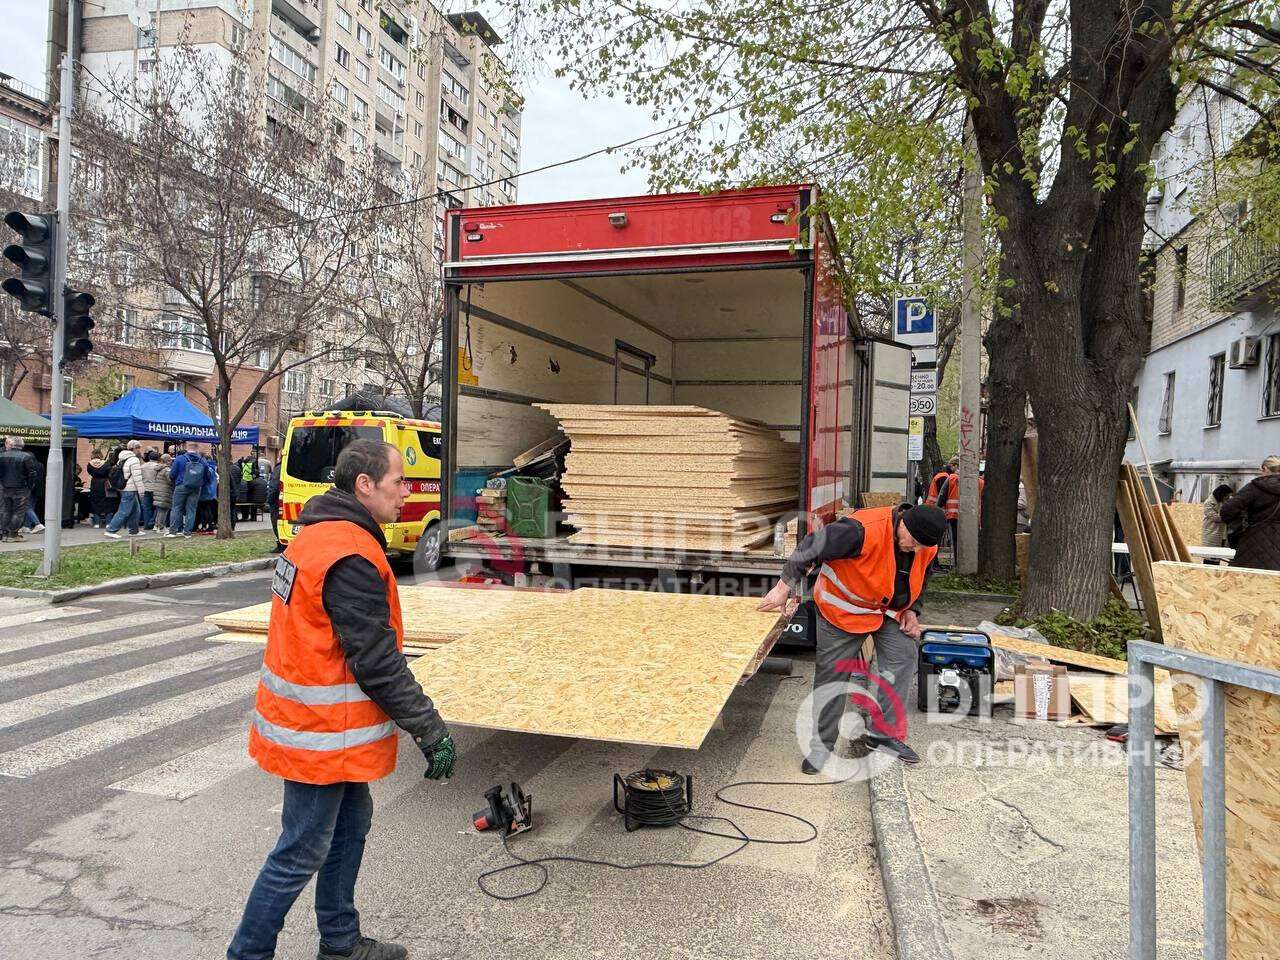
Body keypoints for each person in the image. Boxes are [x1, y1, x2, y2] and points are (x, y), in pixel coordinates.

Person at [227, 439, 455, 960]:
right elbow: (375, 660)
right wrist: (430, 727)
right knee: (300, 850)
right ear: (365, 485)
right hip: (319, 734)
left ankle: (340, 942)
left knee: (350, 829)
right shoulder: (348, 554)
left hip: (327, 727)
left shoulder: (314, 537)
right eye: (400, 482)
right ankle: (247, 954)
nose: (407, 492)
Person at [758, 502, 946, 769]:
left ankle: (883, 736)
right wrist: (782, 588)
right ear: (903, 522)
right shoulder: (860, 530)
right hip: (842, 612)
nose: (914, 549)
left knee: (903, 656)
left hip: (887, 611)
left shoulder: (926, 544)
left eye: (920, 546)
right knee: (832, 677)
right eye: (912, 541)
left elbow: (922, 576)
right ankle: (821, 748)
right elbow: (810, 546)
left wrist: (913, 610)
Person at [1220, 457, 1280, 571]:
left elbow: (1227, 510)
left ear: (1265, 469)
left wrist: (1239, 527)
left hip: (1253, 545)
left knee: (1245, 585)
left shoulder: (1256, 487)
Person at [104, 440, 145, 539]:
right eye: (139, 448)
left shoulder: (122, 458)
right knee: (124, 511)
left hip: (124, 487)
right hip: (130, 489)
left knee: (136, 510)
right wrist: (142, 491)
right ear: (135, 448)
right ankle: (111, 530)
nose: (140, 450)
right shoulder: (134, 460)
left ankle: (134, 530)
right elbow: (137, 477)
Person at [0, 437, 38, 542]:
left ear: (11, 445)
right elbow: (32, 474)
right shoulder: (26, 457)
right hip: (21, 488)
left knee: (6, 511)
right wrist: (29, 486)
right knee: (18, 512)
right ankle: (13, 534)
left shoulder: (2, 456)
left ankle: (5, 534)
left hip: (5, 487)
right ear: (21, 445)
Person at [166, 443, 205, 538]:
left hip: (181, 485)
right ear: (197, 450)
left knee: (176, 508)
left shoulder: (179, 459)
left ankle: (173, 531)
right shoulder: (202, 460)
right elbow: (207, 475)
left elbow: (172, 474)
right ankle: (187, 532)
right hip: (196, 487)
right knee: (191, 510)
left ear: (187, 449)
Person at [1201, 484, 1233, 549]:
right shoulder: (1209, 503)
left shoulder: (1223, 501)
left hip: (1223, 535)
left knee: (1219, 556)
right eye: (1227, 496)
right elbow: (1215, 517)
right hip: (1212, 534)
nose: (1228, 498)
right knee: (1210, 557)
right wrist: (1230, 516)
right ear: (1222, 495)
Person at [86, 449, 112, 528]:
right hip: (104, 484)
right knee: (107, 503)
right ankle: (108, 523)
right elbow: (109, 471)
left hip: (94, 483)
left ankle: (97, 523)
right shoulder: (106, 463)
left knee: (95, 503)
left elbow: (89, 472)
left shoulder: (89, 464)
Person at [139, 449, 164, 530]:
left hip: (145, 488)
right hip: (156, 488)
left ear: (149, 457)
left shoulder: (142, 466)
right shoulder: (158, 467)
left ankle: (147, 525)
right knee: (158, 507)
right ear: (158, 458)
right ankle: (153, 522)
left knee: (146, 508)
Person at [153, 453, 174, 528]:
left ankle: (156, 525)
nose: (171, 462)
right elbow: (170, 480)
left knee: (159, 510)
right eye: (170, 460)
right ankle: (160, 527)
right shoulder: (167, 470)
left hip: (158, 491)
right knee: (164, 510)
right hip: (165, 491)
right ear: (167, 461)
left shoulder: (158, 468)